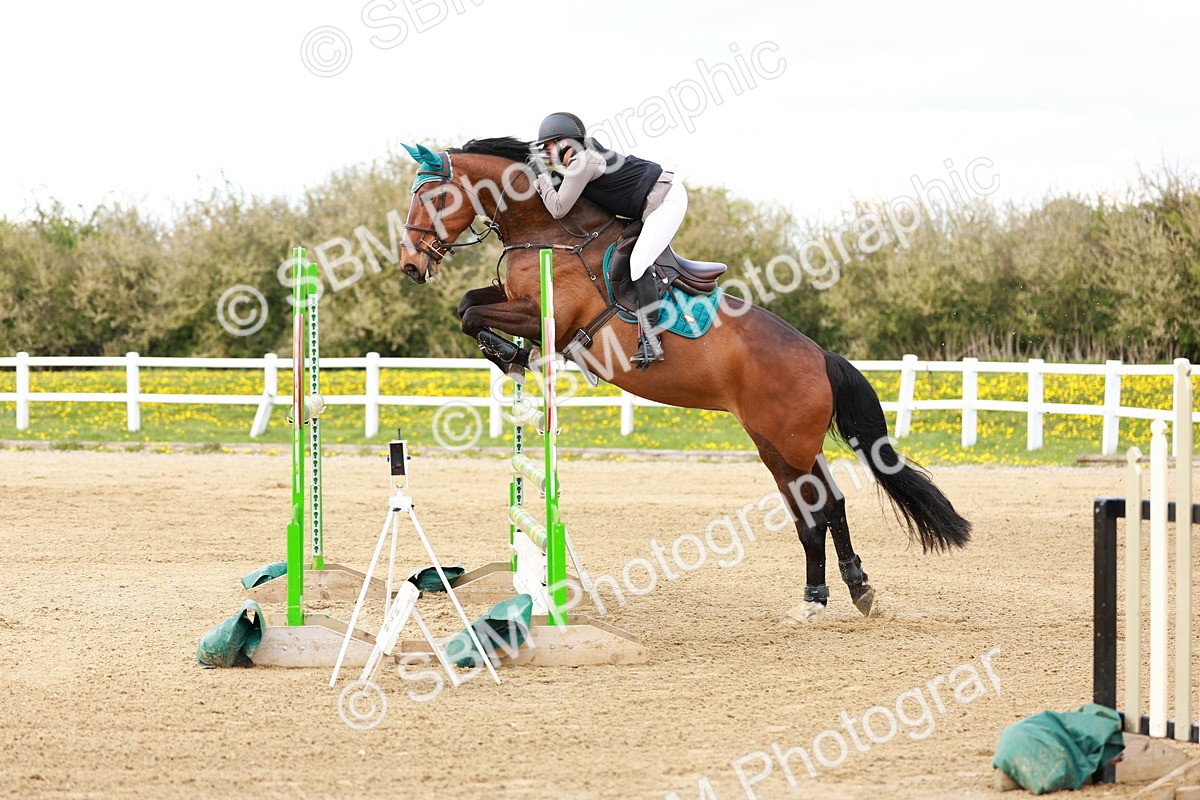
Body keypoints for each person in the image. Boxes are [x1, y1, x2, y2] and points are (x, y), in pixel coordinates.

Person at [530, 112, 687, 368]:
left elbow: (558, 208)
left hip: (666, 200)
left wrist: (542, 178)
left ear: (566, 143)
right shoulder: (580, 162)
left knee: (638, 264)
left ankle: (651, 340)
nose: (546, 152)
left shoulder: (582, 161)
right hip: (648, 205)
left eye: (548, 145)